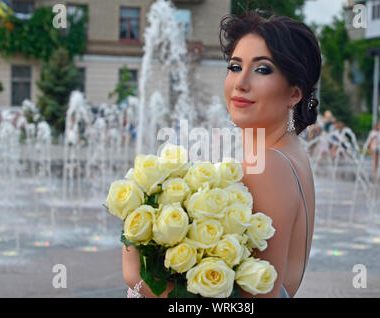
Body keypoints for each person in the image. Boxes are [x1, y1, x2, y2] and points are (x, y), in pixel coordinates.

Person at [123, 10, 320, 298]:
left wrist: (135, 272)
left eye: (262, 69)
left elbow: (252, 300)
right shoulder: (288, 154)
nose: (241, 82)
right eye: (235, 67)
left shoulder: (268, 166)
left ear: (294, 93)